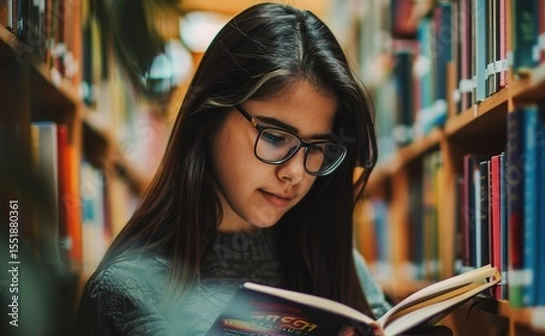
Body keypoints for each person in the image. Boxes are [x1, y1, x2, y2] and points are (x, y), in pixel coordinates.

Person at [73, 3, 451, 335]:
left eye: (317, 148)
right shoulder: (125, 294)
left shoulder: (337, 260)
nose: (296, 173)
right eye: (274, 137)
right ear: (211, 114)